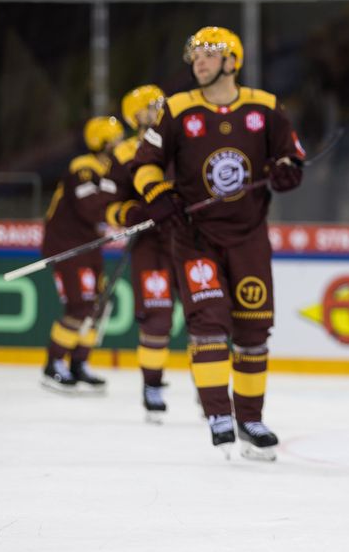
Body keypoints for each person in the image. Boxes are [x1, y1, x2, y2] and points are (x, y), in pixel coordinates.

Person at [131, 27, 305, 460]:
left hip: (249, 238)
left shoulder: (264, 107)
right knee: (208, 323)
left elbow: (292, 155)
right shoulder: (176, 109)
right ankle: (218, 415)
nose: (198, 64)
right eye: (194, 58)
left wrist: (288, 170)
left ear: (232, 60)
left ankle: (250, 418)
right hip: (195, 239)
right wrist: (160, 196)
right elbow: (143, 166)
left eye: (208, 56)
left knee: (252, 328)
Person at [103, 84, 174, 422]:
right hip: (152, 244)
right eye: (152, 105)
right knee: (158, 318)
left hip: (190, 239)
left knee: (205, 314)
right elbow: (108, 205)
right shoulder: (124, 153)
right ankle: (153, 386)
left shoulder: (181, 141)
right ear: (136, 114)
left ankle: (211, 394)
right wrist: (130, 214)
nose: (160, 108)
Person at [40, 115, 124, 394]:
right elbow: (91, 207)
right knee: (79, 306)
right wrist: (116, 192)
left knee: (97, 307)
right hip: (67, 247)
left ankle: (79, 364)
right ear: (102, 141)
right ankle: (54, 364)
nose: (120, 143)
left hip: (89, 246)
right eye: (115, 139)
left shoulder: (109, 169)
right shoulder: (83, 168)